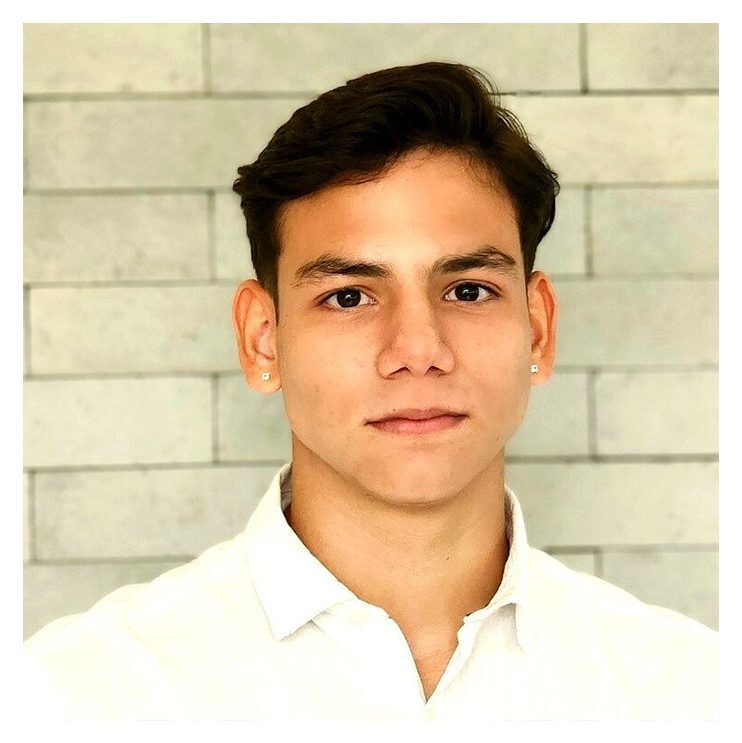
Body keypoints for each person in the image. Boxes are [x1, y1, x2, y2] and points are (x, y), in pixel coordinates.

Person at [24, 61, 717, 720]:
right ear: (263, 339)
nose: (418, 351)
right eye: (349, 295)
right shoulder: (77, 695)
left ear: (536, 330)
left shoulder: (691, 691)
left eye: (468, 290)